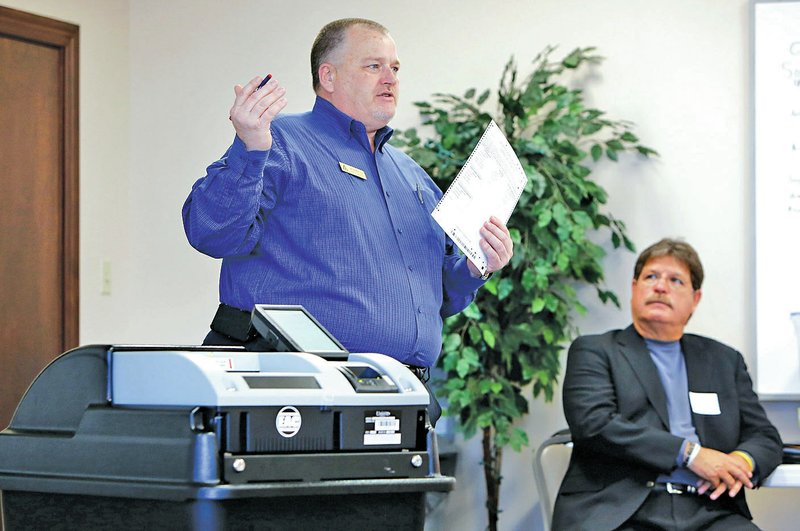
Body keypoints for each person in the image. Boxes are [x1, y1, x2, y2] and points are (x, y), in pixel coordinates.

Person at [182, 18, 513, 425]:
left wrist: (478, 264)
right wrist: (250, 148)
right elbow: (211, 232)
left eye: (395, 67)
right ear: (329, 76)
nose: (389, 77)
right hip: (292, 396)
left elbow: (440, 295)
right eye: (374, 66)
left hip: (400, 398)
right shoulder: (280, 141)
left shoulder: (412, 176)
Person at [552, 238, 783, 531]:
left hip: (709, 510)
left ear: (695, 299)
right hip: (621, 512)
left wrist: (741, 461)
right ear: (634, 288)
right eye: (651, 277)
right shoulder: (595, 350)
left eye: (675, 280)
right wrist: (691, 454)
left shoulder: (724, 360)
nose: (661, 287)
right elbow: (595, 424)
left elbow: (764, 435)